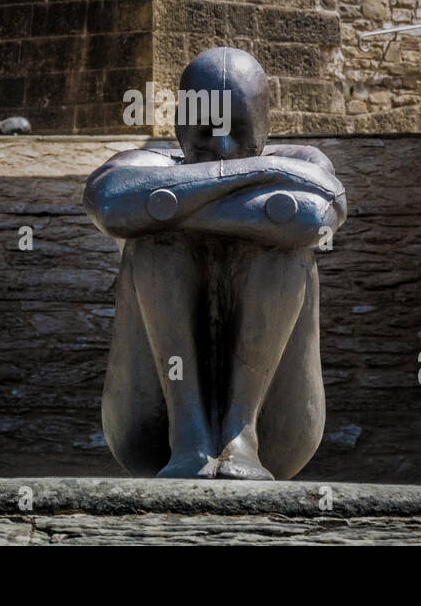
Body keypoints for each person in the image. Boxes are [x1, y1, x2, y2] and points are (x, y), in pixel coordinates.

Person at [83, 47, 347, 479]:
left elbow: (315, 216)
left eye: (238, 130)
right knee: (154, 245)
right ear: (179, 126)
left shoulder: (303, 161)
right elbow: (108, 201)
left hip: (281, 431)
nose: (223, 148)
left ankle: (242, 436)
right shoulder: (146, 162)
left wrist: (168, 203)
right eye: (206, 132)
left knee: (285, 250)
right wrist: (258, 187)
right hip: (147, 428)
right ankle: (188, 436)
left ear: (265, 126)